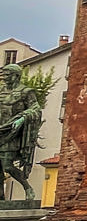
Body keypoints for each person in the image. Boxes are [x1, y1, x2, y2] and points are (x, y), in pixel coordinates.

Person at [0, 64, 41, 201]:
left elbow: (35, 109)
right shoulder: (0, 90)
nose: (4, 77)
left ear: (16, 75)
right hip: (0, 130)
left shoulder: (26, 92)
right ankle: (1, 196)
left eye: (7, 74)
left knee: (7, 165)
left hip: (12, 132)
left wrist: (23, 118)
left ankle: (27, 187)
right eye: (3, 74)